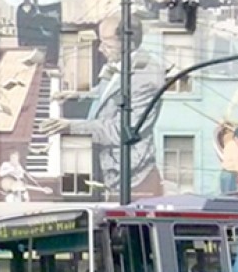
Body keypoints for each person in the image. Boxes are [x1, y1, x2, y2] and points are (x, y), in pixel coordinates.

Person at [40, 14, 164, 199]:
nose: (100, 49)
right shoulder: (118, 63)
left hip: (133, 181)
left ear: (128, 43)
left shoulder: (147, 78)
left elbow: (121, 130)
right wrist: (78, 95)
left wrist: (71, 126)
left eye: (106, 43)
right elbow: (108, 92)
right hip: (111, 171)